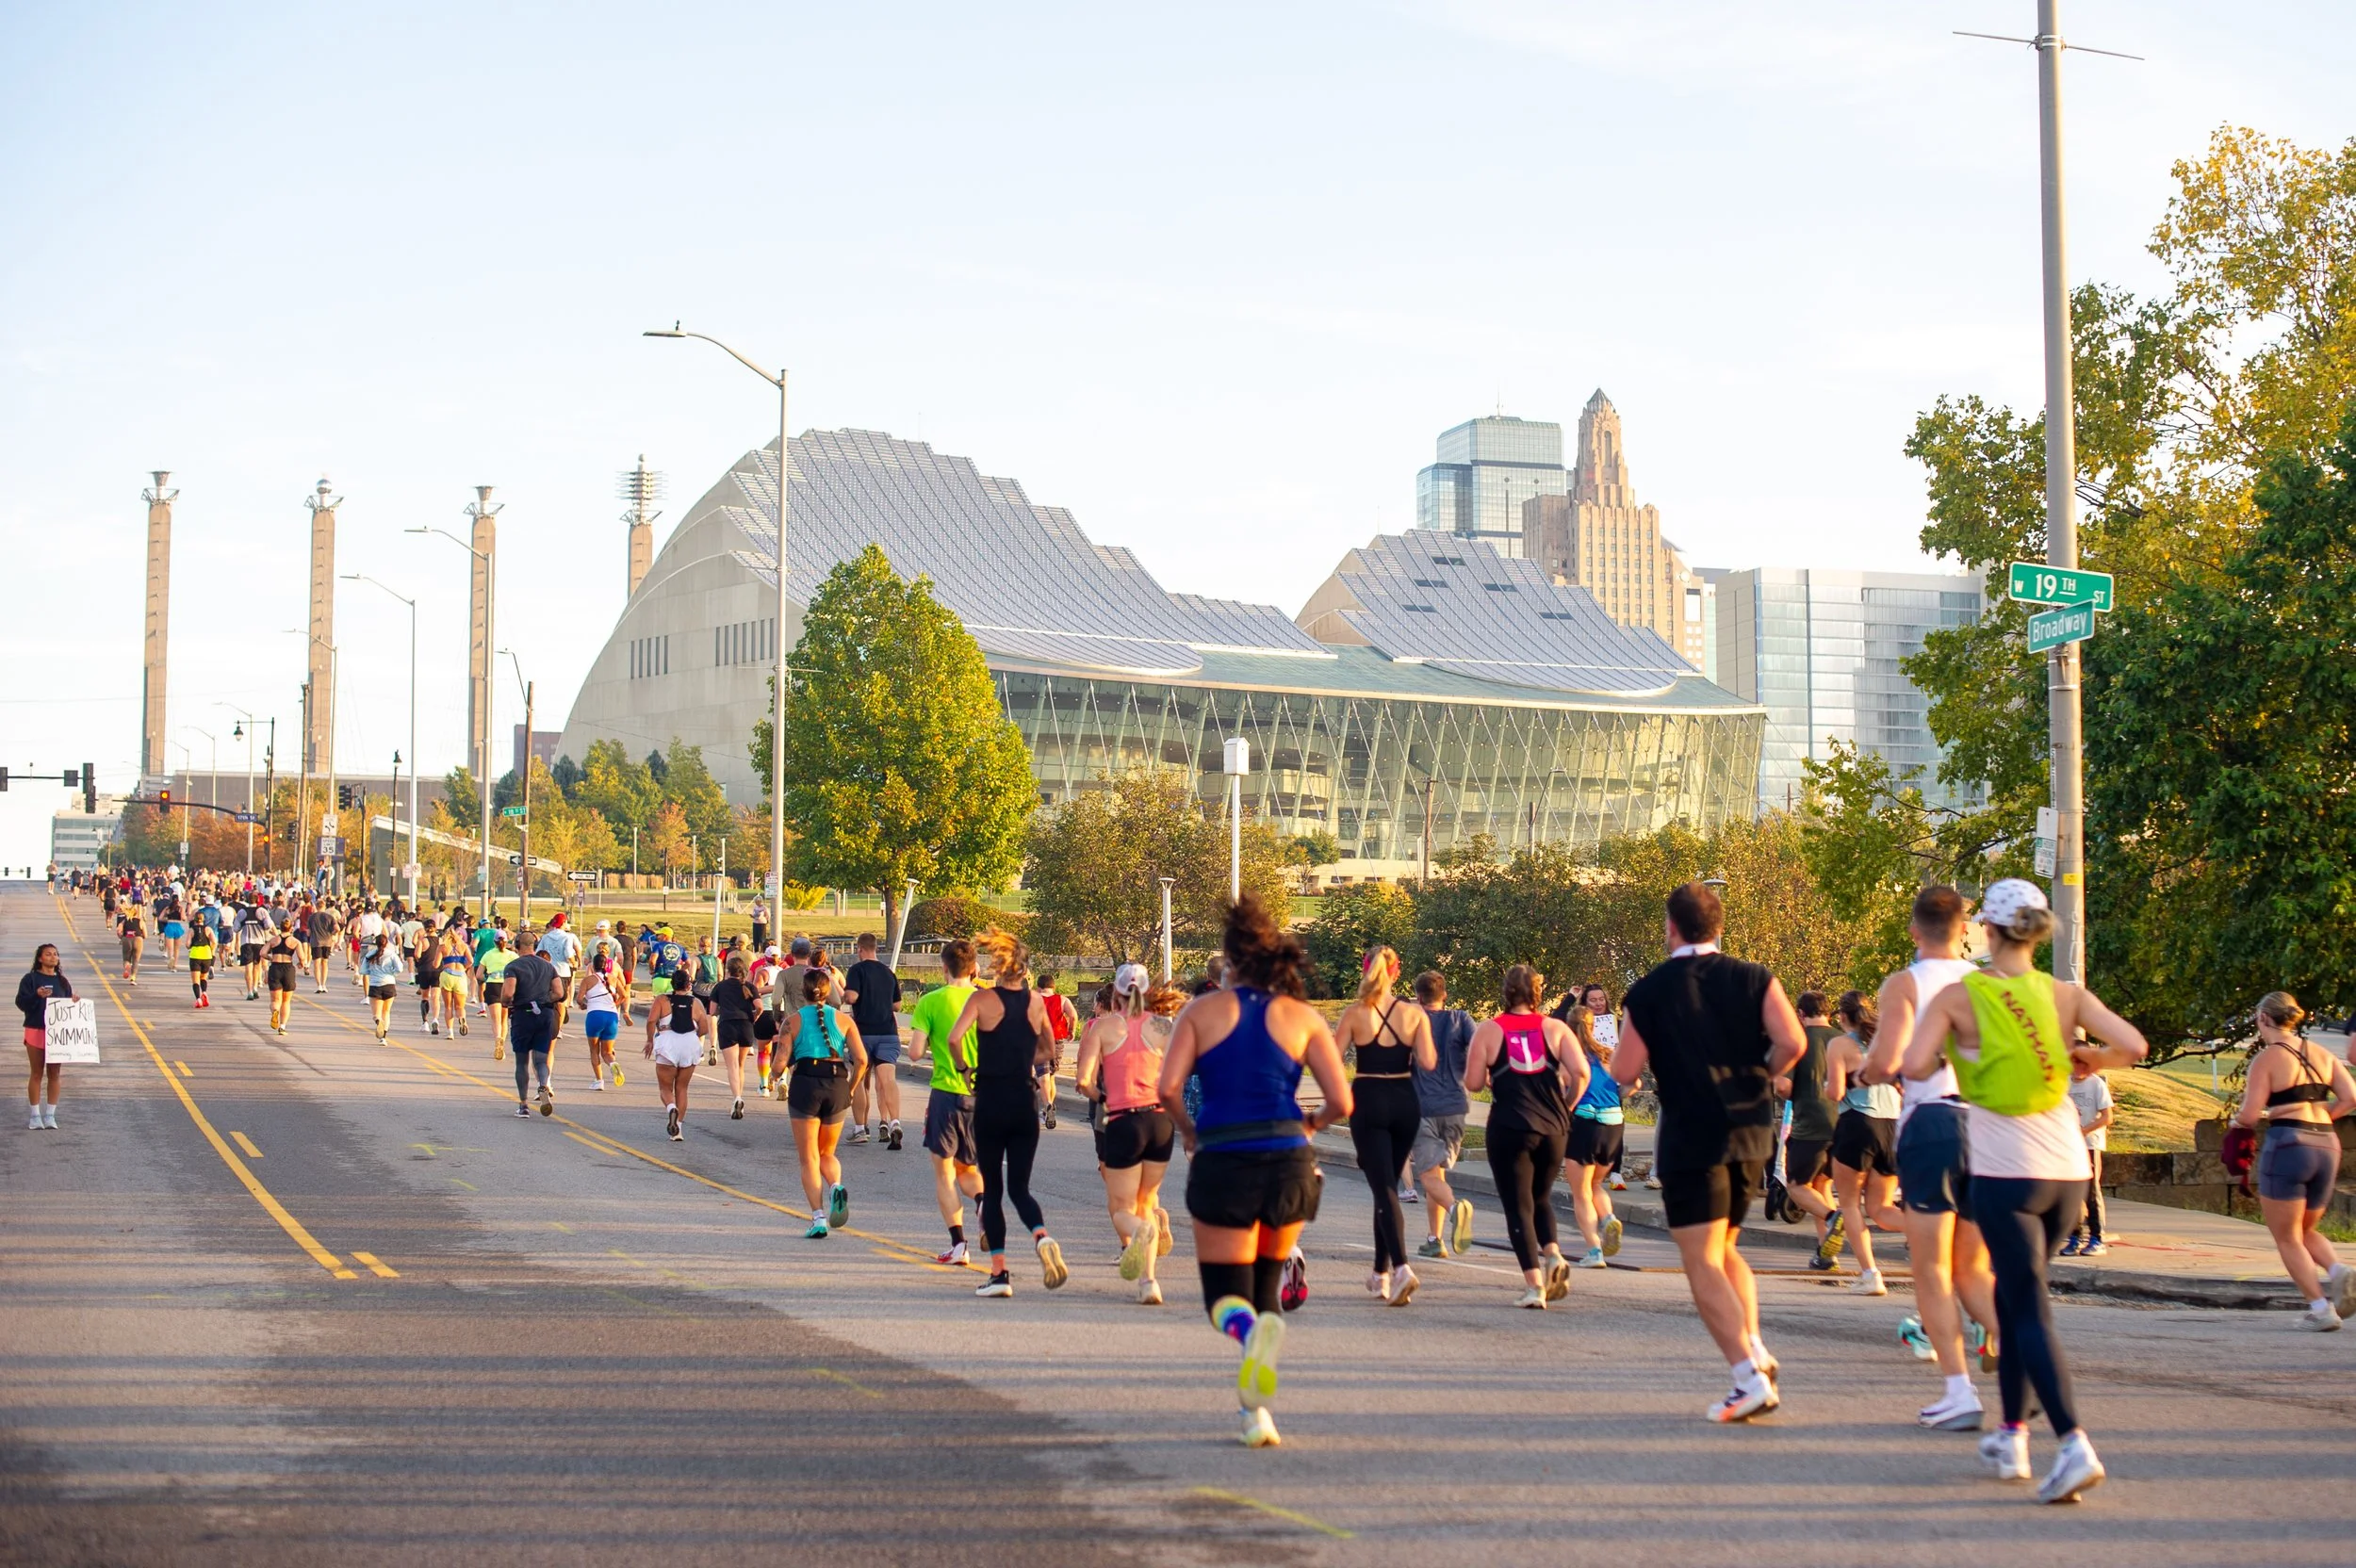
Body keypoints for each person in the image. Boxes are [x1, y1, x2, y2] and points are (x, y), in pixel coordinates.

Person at [1902, 877, 2148, 1504]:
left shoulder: (1961, 995)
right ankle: (2011, 1434)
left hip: (2005, 1171)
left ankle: (2073, 1444)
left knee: (2029, 1309)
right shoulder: (2065, 994)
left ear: (1986, 929)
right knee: (2014, 1304)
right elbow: (2134, 1046)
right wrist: (2091, 1058)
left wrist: (1951, 1054)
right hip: (2067, 1170)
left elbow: (1914, 1065)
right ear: (2037, 932)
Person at [1161, 896, 1350, 1448]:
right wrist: (1308, 1126)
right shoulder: (1303, 1017)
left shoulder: (1201, 1012)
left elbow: (1168, 1089)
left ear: (1229, 961)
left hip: (1224, 1158)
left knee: (1226, 1299)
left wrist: (1189, 1131)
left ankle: (1249, 1346)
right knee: (1267, 1288)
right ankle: (1256, 1413)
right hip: (1290, 1162)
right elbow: (1342, 1101)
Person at [1613, 881, 1806, 1422]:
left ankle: (1747, 1376)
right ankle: (1756, 1348)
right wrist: (1760, 1075)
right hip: (1751, 1130)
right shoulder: (1755, 977)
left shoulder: (1648, 991)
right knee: (1725, 1250)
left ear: (1671, 927)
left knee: (1700, 1261)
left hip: (1692, 1134)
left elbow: (1625, 1069)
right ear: (1718, 927)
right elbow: (1794, 1042)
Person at [1862, 885, 2003, 1431]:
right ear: (1965, 929)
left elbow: (1890, 1060)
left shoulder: (1906, 983)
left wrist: (1865, 1072)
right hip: (1988, 1123)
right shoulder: (1990, 982)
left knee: (1932, 1268)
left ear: (1914, 931)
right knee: (1974, 1267)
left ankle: (1959, 1391)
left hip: (1934, 1122)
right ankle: (2024, 1361)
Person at [947, 932, 1069, 1296]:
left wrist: (965, 1069)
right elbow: (1048, 1048)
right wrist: (1023, 1058)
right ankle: (1041, 1236)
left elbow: (954, 1038)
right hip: (1024, 1099)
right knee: (1020, 1188)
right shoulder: (1036, 1002)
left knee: (993, 1189)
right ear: (1025, 970)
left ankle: (999, 1273)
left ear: (998, 968)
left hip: (991, 1098)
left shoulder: (982, 999)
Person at [2230, 991, 2356, 1328]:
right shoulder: (2322, 1053)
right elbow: (2350, 1097)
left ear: (2263, 1019)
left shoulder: (2267, 1058)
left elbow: (2250, 1114)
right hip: (2327, 1144)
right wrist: (2321, 1115)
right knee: (2305, 1229)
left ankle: (2321, 1310)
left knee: (2286, 1236)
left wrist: (2236, 1123)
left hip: (2288, 1143)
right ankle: (2339, 1271)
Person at [1466, 965, 1586, 1308]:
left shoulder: (1490, 1030)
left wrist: (1491, 1077)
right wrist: (1567, 1106)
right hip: (1553, 1128)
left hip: (1510, 1126)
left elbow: (1472, 1082)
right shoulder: (1556, 1028)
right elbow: (1581, 1072)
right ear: (1537, 993)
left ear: (1506, 992)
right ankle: (1553, 1254)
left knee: (1518, 1205)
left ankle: (1535, 1286)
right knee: (1541, 1198)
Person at [1333, 946, 1436, 1304]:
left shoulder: (1355, 1013)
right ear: (1397, 972)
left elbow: (1331, 1058)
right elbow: (1429, 1061)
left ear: (1365, 971)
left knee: (1384, 1190)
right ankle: (1380, 1274)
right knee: (1386, 1187)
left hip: (1368, 1098)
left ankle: (1402, 1268)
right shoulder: (1414, 1014)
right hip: (1405, 1100)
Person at [1075, 964, 1181, 1305]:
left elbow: (1083, 1081)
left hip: (1123, 1120)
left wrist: (1102, 1098)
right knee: (1147, 1201)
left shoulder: (1103, 1027)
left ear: (1116, 994)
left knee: (1123, 1208)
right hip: (1160, 1121)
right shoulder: (1163, 1027)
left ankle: (1139, 1232)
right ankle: (1149, 1282)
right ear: (1147, 992)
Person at [1820, 990, 1903, 1295]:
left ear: (1842, 1016)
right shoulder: (1887, 1042)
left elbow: (1836, 1093)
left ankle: (1870, 1274)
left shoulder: (1839, 1045)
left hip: (1857, 1123)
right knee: (1881, 1209)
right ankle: (1933, 1232)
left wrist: (1826, 1086)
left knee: (1850, 1204)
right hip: (1891, 1125)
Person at [910, 940, 985, 1265]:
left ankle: (959, 1245)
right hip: (981, 1094)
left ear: (943, 967)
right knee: (968, 1168)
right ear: (975, 968)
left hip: (945, 1092)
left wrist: (933, 1043)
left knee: (945, 1173)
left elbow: (914, 1053)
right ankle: (983, 1202)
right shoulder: (988, 1002)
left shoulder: (930, 1001)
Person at [785, 968, 866, 1237]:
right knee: (827, 1153)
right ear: (829, 991)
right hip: (837, 1083)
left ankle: (818, 1218)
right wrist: (851, 1089)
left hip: (806, 1084)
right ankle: (835, 1187)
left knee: (809, 1158)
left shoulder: (793, 1021)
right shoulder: (844, 1020)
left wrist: (774, 1074)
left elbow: (779, 1063)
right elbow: (862, 1060)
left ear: (803, 992)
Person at [1411, 971, 1477, 1260]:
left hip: (1423, 1106)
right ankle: (1434, 1239)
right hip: (1456, 1106)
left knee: (1427, 1175)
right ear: (1445, 995)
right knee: (1438, 1175)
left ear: (1418, 997)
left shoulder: (1412, 1022)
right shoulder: (1461, 1019)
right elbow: (1478, 1048)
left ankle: (1455, 1209)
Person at [1775, 990, 1841, 1263]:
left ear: (1800, 1014)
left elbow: (1783, 1085)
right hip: (1843, 1124)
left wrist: (1792, 1093)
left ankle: (1833, 1217)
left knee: (1796, 1186)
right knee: (1821, 1186)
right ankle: (1826, 1254)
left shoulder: (1798, 1041)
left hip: (1810, 1125)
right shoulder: (1842, 1039)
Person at [1560, 1002, 1625, 1267]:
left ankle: (1595, 1251)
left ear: (1569, 1028)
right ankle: (1608, 1219)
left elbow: (1565, 1087)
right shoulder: (1609, 1055)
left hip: (1585, 1122)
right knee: (1595, 1184)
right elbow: (1634, 1083)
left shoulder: (1569, 1058)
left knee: (1580, 1193)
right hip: (1614, 1125)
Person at [841, 932, 904, 1148]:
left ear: (860, 949)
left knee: (859, 1079)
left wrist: (844, 996)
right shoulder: (888, 972)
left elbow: (852, 997)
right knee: (888, 1080)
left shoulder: (857, 970)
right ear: (876, 948)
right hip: (888, 1033)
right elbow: (897, 1006)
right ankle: (895, 1122)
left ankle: (860, 1128)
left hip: (863, 1033)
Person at [2062, 1051, 2115, 1256]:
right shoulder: (2063, 1084)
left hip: (2089, 1144)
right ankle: (2074, 1236)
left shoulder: (2096, 1084)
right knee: (2070, 1194)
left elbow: (2107, 1117)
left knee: (2091, 1192)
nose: (2078, 1068)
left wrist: (2083, 1131)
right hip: (2067, 1145)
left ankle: (2096, 1237)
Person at [645, 974, 711, 1141]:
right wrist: (691, 1035)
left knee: (665, 1088)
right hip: (689, 1044)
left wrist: (650, 1040)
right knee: (682, 1088)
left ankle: (671, 1107)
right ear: (688, 986)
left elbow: (651, 1021)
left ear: (672, 984)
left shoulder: (662, 1000)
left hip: (667, 1043)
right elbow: (704, 1028)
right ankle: (678, 1130)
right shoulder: (696, 1003)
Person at [17, 943, 74, 1129]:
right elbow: (21, 1003)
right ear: (40, 958)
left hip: (56, 1033)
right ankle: (35, 1116)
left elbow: (68, 1006)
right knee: (36, 1072)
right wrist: (36, 995)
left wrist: (74, 1001)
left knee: (54, 1073)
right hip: (35, 1029)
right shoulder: (30, 979)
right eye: (48, 954)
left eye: (55, 954)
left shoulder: (63, 982)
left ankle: (50, 1115)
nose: (53, 957)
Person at [709, 953, 760, 1119]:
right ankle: (740, 1098)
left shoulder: (720, 987)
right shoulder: (749, 986)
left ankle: (737, 1097)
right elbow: (759, 1006)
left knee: (732, 1066)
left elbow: (712, 1011)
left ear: (727, 971)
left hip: (727, 1025)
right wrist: (754, 1016)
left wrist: (722, 1009)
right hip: (746, 1025)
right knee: (741, 1065)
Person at [1035, 968, 1075, 1130]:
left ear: (1038, 987)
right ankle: (1049, 1109)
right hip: (1057, 1041)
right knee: (1051, 1076)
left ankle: (1047, 1107)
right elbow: (1073, 1015)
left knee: (1043, 1077)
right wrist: (1071, 1030)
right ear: (1054, 987)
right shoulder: (1063, 1000)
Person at [579, 952, 625, 1089]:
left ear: (593, 966)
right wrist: (615, 1004)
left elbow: (579, 999)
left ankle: (599, 1081)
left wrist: (583, 1005)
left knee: (594, 1051)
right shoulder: (613, 979)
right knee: (607, 1052)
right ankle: (613, 1064)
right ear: (606, 965)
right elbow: (624, 995)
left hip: (595, 1015)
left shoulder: (588, 980)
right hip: (611, 1016)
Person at [536, 914, 581, 1041]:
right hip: (562, 971)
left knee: (547, 999)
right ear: (563, 923)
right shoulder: (566, 937)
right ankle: (559, 1028)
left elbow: (539, 952)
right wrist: (574, 963)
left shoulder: (546, 937)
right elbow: (568, 953)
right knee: (562, 1001)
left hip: (547, 971)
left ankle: (545, 1024)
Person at [360, 928, 404, 1041]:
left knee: (376, 1014)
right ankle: (383, 1037)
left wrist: (372, 972)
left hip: (375, 985)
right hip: (389, 984)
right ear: (387, 943)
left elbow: (363, 970)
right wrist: (392, 973)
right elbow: (400, 968)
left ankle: (378, 1021)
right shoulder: (391, 954)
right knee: (387, 1011)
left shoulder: (370, 954)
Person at [262, 920, 303, 1036]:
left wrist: (271, 958)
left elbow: (262, 953)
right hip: (288, 969)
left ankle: (275, 1011)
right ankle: (282, 1027)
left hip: (275, 968)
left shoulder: (274, 940)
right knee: (286, 1001)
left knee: (275, 1000)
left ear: (280, 928)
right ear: (291, 928)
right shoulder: (295, 941)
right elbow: (302, 957)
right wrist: (301, 964)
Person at [480, 930, 517, 1053]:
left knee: (495, 1019)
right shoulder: (512, 956)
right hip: (507, 985)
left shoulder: (488, 954)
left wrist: (487, 977)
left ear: (494, 942)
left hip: (493, 985)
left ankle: (497, 1039)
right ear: (506, 941)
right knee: (504, 1018)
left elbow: (479, 975)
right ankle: (503, 1044)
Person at [305, 899, 340, 993]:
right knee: (325, 963)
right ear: (324, 907)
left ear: (316, 907)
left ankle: (319, 985)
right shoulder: (329, 917)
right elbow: (337, 928)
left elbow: (308, 933)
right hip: (327, 942)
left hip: (316, 942)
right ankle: (324, 984)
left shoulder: (312, 918)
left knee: (316, 964)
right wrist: (332, 933)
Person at [186, 916, 216, 1010]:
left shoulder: (191, 930)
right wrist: (211, 950)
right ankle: (204, 993)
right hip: (206, 955)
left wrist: (191, 946)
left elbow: (187, 944)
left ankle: (198, 999)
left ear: (194, 920)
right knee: (203, 977)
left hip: (195, 955)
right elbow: (214, 942)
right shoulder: (208, 929)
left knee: (195, 980)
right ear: (204, 920)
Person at [117, 901, 146, 986]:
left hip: (127, 939)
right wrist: (141, 937)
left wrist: (122, 937)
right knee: (136, 960)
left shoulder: (124, 921)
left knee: (126, 959)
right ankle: (133, 977)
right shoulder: (140, 921)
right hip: (138, 939)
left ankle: (127, 966)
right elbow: (145, 935)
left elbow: (118, 931)